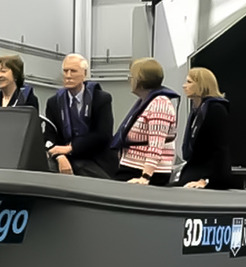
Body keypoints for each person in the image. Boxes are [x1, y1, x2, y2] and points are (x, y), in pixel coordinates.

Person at [44, 53, 116, 178]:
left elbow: (103, 135)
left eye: (73, 71)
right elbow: (50, 135)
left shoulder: (101, 99)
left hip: (96, 159)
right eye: (65, 71)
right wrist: (60, 156)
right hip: (65, 158)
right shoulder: (54, 102)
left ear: (84, 74)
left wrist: (72, 148)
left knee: (81, 168)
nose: (68, 76)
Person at [110, 57, 179, 186]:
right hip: (132, 167)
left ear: (140, 80)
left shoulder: (159, 104)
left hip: (146, 172)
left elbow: (156, 146)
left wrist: (145, 177)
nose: (129, 80)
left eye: (132, 76)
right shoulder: (145, 102)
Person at [176, 67, 233, 189]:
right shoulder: (197, 111)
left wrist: (206, 180)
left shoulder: (215, 109)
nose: (184, 86)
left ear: (201, 85)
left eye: (189, 82)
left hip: (208, 175)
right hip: (193, 170)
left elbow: (220, 150)